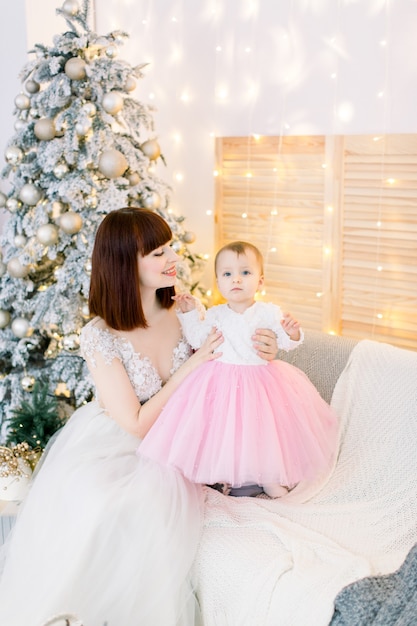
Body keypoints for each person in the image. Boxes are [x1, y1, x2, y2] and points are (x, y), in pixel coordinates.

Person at [0, 208, 280, 626]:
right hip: (122, 441)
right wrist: (192, 365)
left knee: (151, 500)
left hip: (186, 431)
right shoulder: (99, 333)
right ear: (124, 263)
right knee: (110, 502)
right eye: (156, 253)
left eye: (169, 247)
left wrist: (266, 349)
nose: (172, 259)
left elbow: (232, 356)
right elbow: (134, 422)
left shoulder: (185, 311)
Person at [140, 241, 339, 498]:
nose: (236, 280)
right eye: (227, 274)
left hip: (260, 381)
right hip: (220, 381)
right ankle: (221, 475)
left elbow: (286, 341)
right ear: (219, 282)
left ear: (260, 281)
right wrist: (189, 313)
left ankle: (269, 476)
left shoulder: (268, 312)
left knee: (263, 431)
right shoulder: (215, 314)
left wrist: (292, 332)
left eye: (245, 273)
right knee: (223, 432)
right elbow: (198, 338)